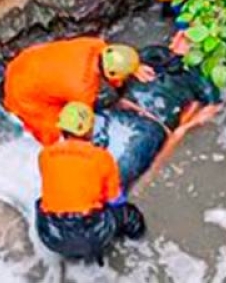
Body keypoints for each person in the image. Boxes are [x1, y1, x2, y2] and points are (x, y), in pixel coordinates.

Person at [35, 102, 146, 264]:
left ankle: (69, 253)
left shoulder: (44, 155)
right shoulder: (102, 158)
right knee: (129, 214)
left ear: (62, 128)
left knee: (41, 201)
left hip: (51, 235)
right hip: (92, 235)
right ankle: (138, 242)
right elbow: (115, 199)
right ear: (89, 130)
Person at [3, 37, 156, 145]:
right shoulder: (82, 89)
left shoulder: (94, 44)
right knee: (54, 135)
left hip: (24, 63)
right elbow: (82, 123)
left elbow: (113, 62)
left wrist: (133, 66)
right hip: (23, 94)